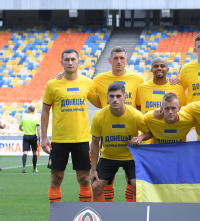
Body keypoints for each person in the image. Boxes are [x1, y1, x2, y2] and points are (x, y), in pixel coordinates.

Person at [41, 49, 101, 204]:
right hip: (59, 139)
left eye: (73, 59)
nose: (70, 62)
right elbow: (45, 111)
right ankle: (56, 220)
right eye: (66, 60)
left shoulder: (87, 83)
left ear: (79, 62)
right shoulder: (52, 84)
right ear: (61, 63)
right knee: (56, 178)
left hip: (81, 138)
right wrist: (43, 137)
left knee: (84, 179)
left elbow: (101, 104)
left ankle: (83, 217)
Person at [93, 46, 145, 203]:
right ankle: (103, 215)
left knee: (134, 183)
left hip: (130, 138)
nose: (119, 61)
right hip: (108, 133)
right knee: (104, 182)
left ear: (127, 60)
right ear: (109, 60)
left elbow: (140, 103)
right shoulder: (98, 80)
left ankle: (134, 214)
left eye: (122, 58)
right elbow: (84, 91)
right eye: (115, 58)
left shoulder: (138, 80)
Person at [90, 82, 151, 202]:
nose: (115, 99)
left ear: (125, 97)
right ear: (107, 97)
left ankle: (135, 215)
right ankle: (102, 215)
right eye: (111, 96)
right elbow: (95, 143)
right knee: (96, 187)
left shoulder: (135, 115)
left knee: (137, 187)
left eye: (118, 96)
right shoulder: (99, 117)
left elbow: (149, 132)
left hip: (131, 157)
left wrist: (141, 137)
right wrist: (93, 170)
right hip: (108, 157)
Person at [19, 105, 41, 173]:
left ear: (28, 110)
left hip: (26, 136)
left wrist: (23, 130)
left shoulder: (24, 117)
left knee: (25, 152)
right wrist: (39, 138)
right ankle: (34, 168)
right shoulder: (36, 118)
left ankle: (24, 167)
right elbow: (38, 129)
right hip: (33, 137)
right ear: (33, 111)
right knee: (34, 152)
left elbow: (20, 127)